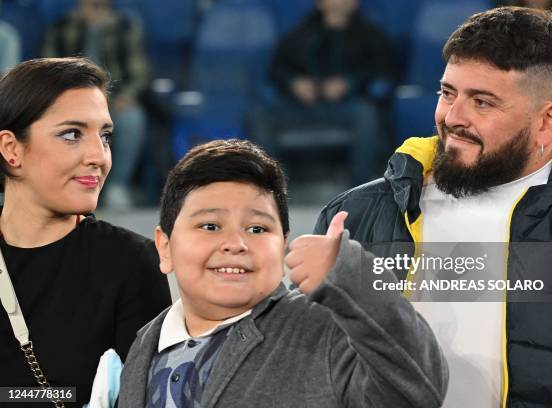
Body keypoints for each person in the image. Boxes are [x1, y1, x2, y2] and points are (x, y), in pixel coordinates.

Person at [314, 6, 552, 407]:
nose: (452, 117)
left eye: (483, 103)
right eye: (447, 93)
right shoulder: (354, 215)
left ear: (547, 121)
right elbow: (316, 374)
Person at [117, 139, 448, 407]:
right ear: (165, 247)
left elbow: (417, 390)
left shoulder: (328, 330)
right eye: (210, 226)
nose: (236, 243)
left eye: (258, 228)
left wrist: (350, 274)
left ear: (283, 244)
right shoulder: (146, 343)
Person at [0, 57, 171, 407]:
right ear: (11, 149)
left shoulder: (130, 263)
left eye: (105, 136)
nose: (99, 155)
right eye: (71, 134)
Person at [248, 0, 400, 186]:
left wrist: (349, 84)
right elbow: (277, 70)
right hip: (301, 106)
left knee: (367, 115)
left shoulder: (370, 35)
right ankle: (271, 187)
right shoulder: (301, 33)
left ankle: (359, 189)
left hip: (346, 108)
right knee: (259, 115)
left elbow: (384, 71)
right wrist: (294, 83)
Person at [43, 0, 150, 209]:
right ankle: (66, 184)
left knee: (132, 118)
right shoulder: (62, 24)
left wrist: (127, 96)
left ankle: (117, 186)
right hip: (69, 98)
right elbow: (48, 70)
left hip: (114, 99)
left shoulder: (126, 25)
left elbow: (139, 73)